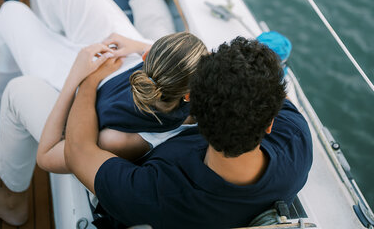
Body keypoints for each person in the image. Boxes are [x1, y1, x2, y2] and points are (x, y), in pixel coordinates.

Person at [0, 0, 206, 225]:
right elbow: (166, 61)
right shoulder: (189, 90)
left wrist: (82, 78)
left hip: (81, 90)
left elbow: (52, 155)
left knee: (11, 15)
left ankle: (10, 190)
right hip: (122, 59)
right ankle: (56, 31)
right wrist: (138, 46)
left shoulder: (124, 138)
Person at [64, 36, 313, 229]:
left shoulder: (157, 192)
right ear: (269, 123)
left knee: (23, 89)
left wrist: (89, 81)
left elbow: (77, 150)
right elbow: (265, 90)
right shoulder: (296, 139)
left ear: (194, 116)